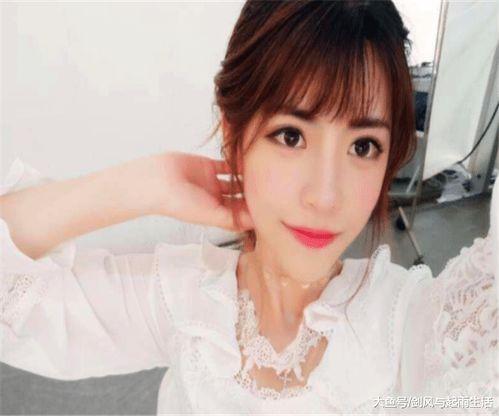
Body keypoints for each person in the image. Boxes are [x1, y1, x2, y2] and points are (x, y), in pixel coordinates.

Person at [1, 0, 497, 414]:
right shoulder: (187, 300)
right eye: (291, 136)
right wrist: (146, 183)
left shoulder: (411, 324)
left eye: (363, 146)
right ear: (235, 137)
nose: (325, 196)